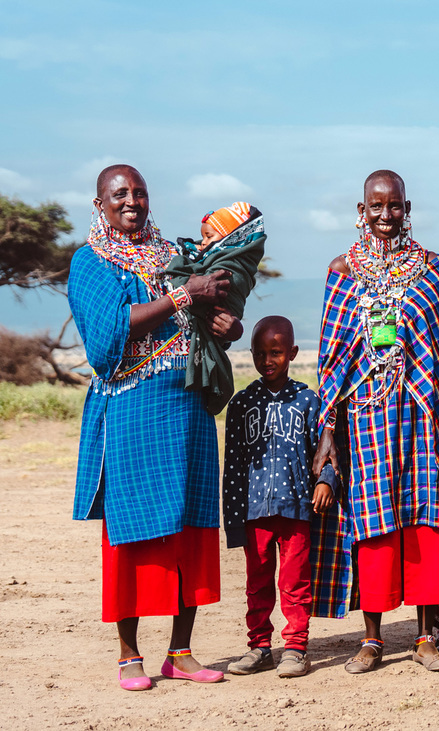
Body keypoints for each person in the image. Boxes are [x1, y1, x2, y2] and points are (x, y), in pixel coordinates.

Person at [312, 170, 439, 674]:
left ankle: (426, 636)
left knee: (428, 523)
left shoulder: (430, 269)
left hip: (423, 417)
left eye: (395, 206)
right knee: (373, 526)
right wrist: (327, 431)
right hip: (365, 420)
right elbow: (330, 359)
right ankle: (373, 638)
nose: (386, 215)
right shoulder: (341, 271)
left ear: (408, 208)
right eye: (376, 206)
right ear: (361, 211)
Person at [68, 164, 242, 690]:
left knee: (189, 527)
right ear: (99, 203)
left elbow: (204, 321)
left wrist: (225, 327)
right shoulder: (89, 262)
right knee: (133, 532)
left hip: (187, 409)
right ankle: (128, 654)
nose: (131, 201)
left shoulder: (175, 255)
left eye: (139, 192)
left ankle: (180, 651)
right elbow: (105, 340)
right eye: (119, 193)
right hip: (130, 410)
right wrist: (182, 296)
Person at [223, 316, 340, 678]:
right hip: (254, 511)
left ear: (291, 353)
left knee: (294, 583)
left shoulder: (308, 400)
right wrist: (233, 520)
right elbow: (232, 464)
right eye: (260, 353)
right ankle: (260, 647)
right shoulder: (241, 403)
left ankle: (295, 648)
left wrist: (327, 482)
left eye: (275, 352)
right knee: (256, 585)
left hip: (295, 509)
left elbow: (327, 449)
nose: (267, 361)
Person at [167, 201, 267, 415]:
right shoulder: (207, 259)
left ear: (231, 237)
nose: (202, 244)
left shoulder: (231, 268)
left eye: (209, 237)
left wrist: (184, 283)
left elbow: (209, 296)